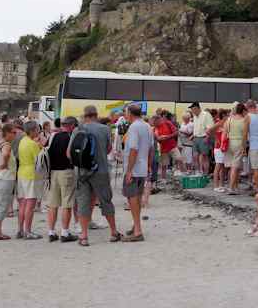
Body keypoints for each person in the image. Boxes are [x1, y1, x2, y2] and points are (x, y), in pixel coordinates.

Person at [68, 105, 121, 246]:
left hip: (82, 172)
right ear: (96, 115)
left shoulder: (77, 129)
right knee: (106, 201)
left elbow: (69, 153)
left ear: (85, 115)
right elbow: (109, 149)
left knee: (83, 203)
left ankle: (84, 236)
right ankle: (113, 232)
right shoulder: (105, 129)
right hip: (100, 170)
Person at [46, 116, 79, 243]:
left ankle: (51, 231)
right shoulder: (71, 137)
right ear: (72, 125)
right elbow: (71, 155)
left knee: (53, 203)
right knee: (67, 203)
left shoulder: (53, 136)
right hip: (66, 171)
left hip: (53, 172)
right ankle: (65, 232)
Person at [122, 104, 153, 242]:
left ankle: (137, 231)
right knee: (137, 198)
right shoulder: (147, 126)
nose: (125, 115)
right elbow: (151, 148)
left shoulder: (134, 127)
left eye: (126, 113)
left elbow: (133, 149)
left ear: (130, 113)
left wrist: (129, 170)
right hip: (142, 167)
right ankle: (136, 226)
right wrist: (149, 165)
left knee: (132, 198)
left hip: (134, 169)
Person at [16, 120, 43, 239]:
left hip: (21, 173)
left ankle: (20, 230)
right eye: (37, 129)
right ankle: (28, 231)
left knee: (23, 204)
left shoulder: (23, 140)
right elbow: (39, 161)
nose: (38, 131)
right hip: (31, 174)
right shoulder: (32, 144)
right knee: (30, 205)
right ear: (32, 131)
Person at [224, 103, 248, 195]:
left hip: (229, 143)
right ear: (243, 111)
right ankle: (231, 188)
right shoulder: (244, 120)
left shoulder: (229, 119)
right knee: (235, 167)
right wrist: (244, 147)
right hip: (239, 143)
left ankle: (235, 187)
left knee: (234, 167)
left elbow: (225, 132)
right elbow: (245, 135)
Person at [153, 113, 181, 180]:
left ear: (158, 120)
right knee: (164, 165)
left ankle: (182, 175)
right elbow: (156, 138)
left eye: (154, 122)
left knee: (179, 159)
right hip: (163, 149)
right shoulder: (155, 128)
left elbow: (176, 133)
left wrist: (167, 137)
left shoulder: (167, 123)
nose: (154, 124)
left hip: (172, 146)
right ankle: (163, 179)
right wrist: (159, 139)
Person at [190, 102, 214, 175]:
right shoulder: (195, 116)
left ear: (197, 108)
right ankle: (198, 172)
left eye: (193, 109)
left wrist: (207, 137)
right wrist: (193, 135)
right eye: (192, 110)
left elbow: (210, 127)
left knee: (204, 156)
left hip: (204, 137)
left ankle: (205, 173)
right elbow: (196, 127)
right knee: (195, 156)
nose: (192, 111)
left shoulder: (206, 115)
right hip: (196, 137)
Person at [211, 109, 229, 192]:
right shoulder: (219, 123)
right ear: (224, 116)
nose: (228, 116)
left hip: (223, 147)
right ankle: (216, 186)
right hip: (218, 148)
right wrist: (216, 139)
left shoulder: (225, 123)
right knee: (218, 166)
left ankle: (221, 185)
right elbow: (209, 131)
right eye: (227, 115)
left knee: (222, 166)